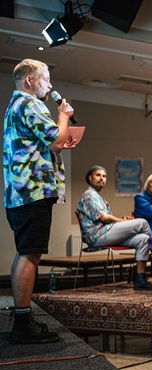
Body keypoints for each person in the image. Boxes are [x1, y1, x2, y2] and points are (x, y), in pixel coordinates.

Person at [3, 58, 75, 344]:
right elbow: (55, 141)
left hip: (19, 193)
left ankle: (21, 317)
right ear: (30, 80)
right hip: (32, 191)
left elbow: (45, 142)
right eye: (46, 79)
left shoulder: (14, 106)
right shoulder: (30, 103)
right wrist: (65, 116)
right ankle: (22, 325)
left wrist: (60, 133)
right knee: (31, 255)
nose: (50, 85)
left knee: (24, 253)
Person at [77, 166, 152, 290]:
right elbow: (103, 218)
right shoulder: (89, 194)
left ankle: (140, 278)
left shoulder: (98, 197)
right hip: (97, 236)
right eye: (98, 175)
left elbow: (107, 219)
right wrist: (121, 221)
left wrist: (122, 220)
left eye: (104, 176)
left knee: (143, 238)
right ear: (90, 178)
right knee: (142, 223)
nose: (101, 178)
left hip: (106, 233)